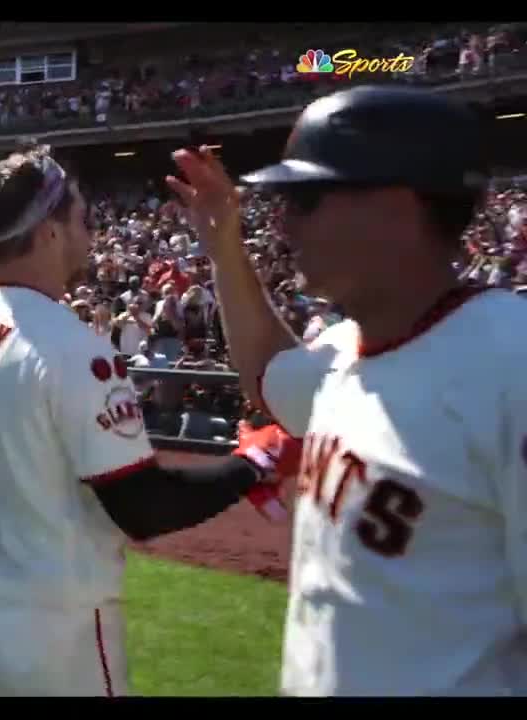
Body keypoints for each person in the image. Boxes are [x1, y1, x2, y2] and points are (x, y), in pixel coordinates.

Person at [166, 84, 527, 695]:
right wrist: (223, 242)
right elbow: (267, 376)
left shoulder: (510, 367)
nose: (282, 221)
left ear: (395, 205)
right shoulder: (345, 347)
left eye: (305, 198)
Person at [0, 144, 288, 697]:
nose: (89, 229)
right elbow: (144, 507)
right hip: (56, 620)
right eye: (79, 215)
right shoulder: (71, 347)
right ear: (48, 232)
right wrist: (253, 462)